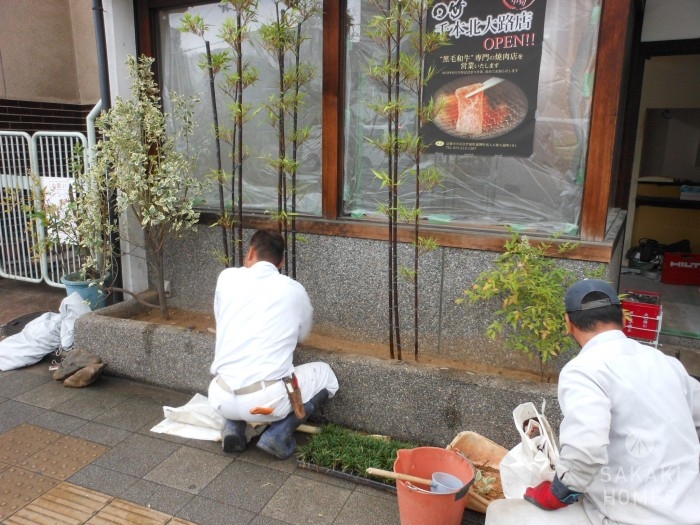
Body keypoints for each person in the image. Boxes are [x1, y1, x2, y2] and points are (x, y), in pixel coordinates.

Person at [486, 279, 700, 525]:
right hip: (689, 513)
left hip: (626, 517)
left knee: (499, 513)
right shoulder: (668, 364)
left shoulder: (583, 370)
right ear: (624, 320)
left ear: (568, 323)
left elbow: (586, 449)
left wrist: (557, 493)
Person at [207, 229, 339, 459]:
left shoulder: (226, 278)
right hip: (266, 403)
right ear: (281, 262)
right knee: (326, 375)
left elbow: (221, 317)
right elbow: (302, 334)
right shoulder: (294, 290)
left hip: (220, 397)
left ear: (250, 253)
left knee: (234, 374)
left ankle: (233, 428)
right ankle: (278, 433)